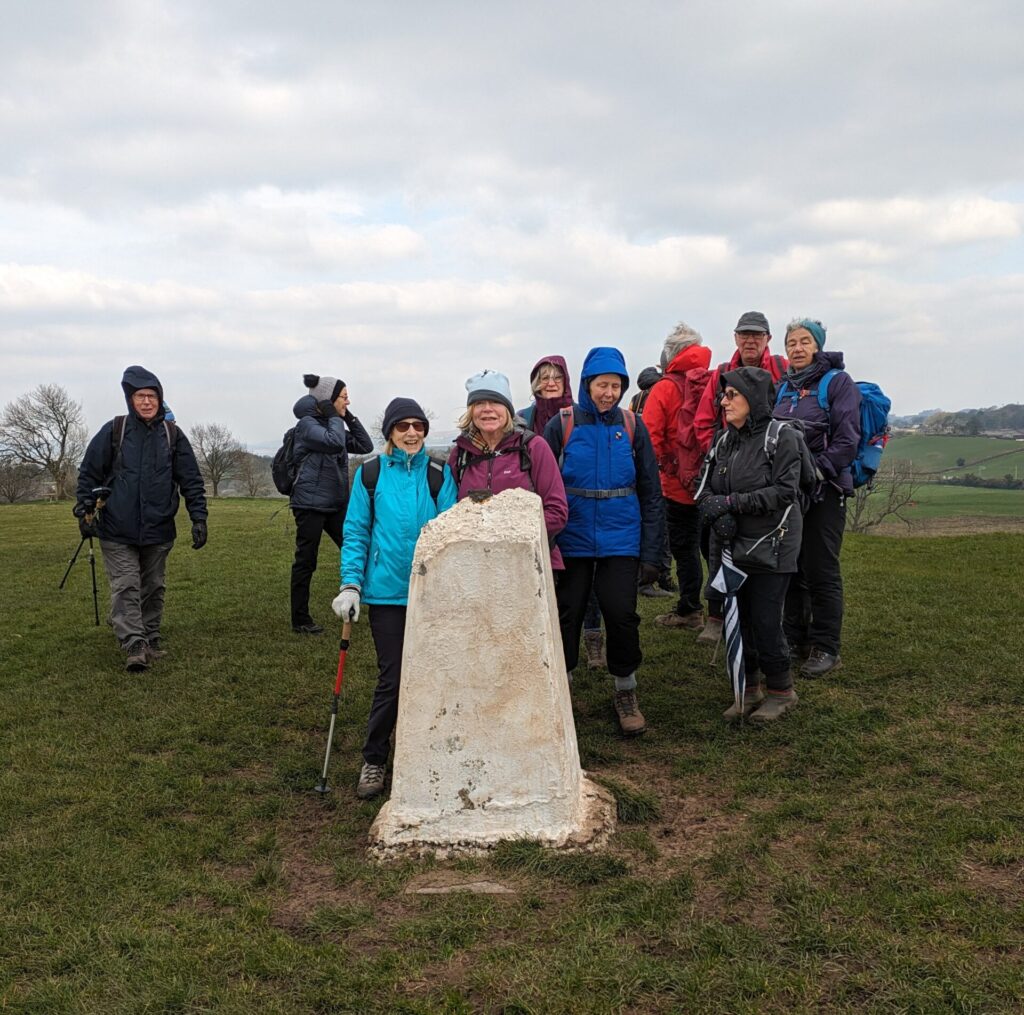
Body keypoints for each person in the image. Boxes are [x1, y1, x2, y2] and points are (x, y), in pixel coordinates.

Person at [333, 398, 458, 800]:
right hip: (387, 593)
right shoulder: (369, 474)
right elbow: (356, 531)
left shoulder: (439, 474)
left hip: (432, 593)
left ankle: (430, 750)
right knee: (393, 677)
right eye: (402, 425)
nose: (411, 432)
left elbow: (450, 533)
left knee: (438, 675)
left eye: (418, 425)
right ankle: (374, 758)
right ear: (389, 431)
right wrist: (351, 584)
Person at [544, 347, 664, 736]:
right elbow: (543, 486)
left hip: (621, 536)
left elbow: (650, 489)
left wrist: (652, 553)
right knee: (567, 614)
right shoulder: (563, 424)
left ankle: (625, 690)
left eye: (615, 385)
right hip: (572, 537)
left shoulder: (632, 426)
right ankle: (560, 690)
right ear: (586, 385)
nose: (608, 392)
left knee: (621, 615)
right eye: (601, 384)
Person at [74, 365, 208, 671]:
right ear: (130, 400)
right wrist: (83, 508)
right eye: (140, 397)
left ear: (160, 399)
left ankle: (150, 635)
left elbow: (192, 480)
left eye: (151, 396)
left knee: (154, 585)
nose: (146, 402)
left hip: (159, 528)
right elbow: (89, 471)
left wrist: (198, 518)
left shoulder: (172, 435)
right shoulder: (114, 430)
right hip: (116, 526)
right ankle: (134, 644)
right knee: (126, 585)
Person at [697, 367, 804, 723]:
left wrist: (731, 505)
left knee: (765, 619)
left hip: (773, 543)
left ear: (753, 399)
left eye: (732, 395)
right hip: (732, 542)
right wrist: (715, 510)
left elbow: (785, 491)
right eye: (723, 395)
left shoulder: (781, 437)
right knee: (738, 616)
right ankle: (749, 685)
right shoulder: (725, 440)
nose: (723, 402)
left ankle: (782, 691)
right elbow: (706, 485)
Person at [693, 311, 789, 646]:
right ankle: (717, 615)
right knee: (717, 547)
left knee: (764, 553)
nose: (750, 340)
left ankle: (765, 626)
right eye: (744, 334)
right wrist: (720, 457)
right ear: (735, 337)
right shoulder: (721, 375)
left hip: (766, 469)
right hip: (726, 470)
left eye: (757, 335)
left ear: (767, 339)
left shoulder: (781, 370)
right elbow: (705, 421)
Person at [773, 319, 861, 678]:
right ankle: (796, 638)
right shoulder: (784, 388)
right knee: (791, 566)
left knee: (822, 569)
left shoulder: (837, 383)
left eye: (805, 341)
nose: (797, 348)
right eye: (791, 342)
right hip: (791, 493)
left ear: (818, 346)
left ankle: (827, 646)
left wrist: (816, 472)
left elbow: (847, 440)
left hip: (825, 491)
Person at [449, 369, 568, 568]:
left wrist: (507, 536)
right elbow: (450, 512)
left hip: (528, 563)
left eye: (496, 402)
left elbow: (557, 512)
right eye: (479, 403)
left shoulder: (533, 447)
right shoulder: (460, 455)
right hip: (475, 565)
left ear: (508, 409)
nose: (487, 409)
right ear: (471, 411)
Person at [642, 322, 713, 631]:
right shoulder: (712, 381)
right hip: (712, 483)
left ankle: (689, 609)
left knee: (685, 551)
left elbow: (649, 440)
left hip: (677, 487)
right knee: (713, 550)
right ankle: (722, 613)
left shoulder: (664, 387)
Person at [289, 373, 373, 635]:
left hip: (335, 503)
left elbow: (364, 444)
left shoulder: (332, 422)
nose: (348, 402)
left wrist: (347, 417)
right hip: (310, 504)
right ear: (328, 400)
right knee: (306, 560)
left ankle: (376, 604)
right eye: (344, 398)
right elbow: (334, 442)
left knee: (358, 552)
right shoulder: (307, 425)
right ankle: (300, 619)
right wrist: (335, 418)